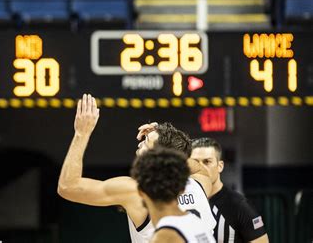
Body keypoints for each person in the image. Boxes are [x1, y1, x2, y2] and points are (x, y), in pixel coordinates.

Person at [58, 94, 216, 243]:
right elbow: (197, 166)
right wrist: (169, 148)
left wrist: (81, 133)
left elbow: (67, 186)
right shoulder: (200, 183)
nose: (140, 142)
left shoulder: (136, 191)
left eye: (146, 141)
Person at [191, 138, 268, 243]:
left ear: (220, 166)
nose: (201, 168)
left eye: (207, 162)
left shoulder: (239, 206)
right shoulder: (184, 203)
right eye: (195, 162)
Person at [131, 147, 215, 243]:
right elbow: (198, 169)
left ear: (140, 192)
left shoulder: (165, 236)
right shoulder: (199, 224)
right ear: (182, 189)